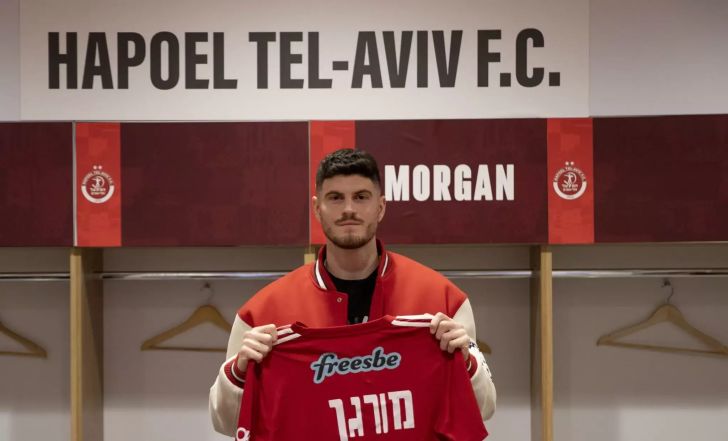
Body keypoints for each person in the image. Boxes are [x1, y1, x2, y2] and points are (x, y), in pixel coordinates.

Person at [209, 149, 496, 436]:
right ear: (317, 208)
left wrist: (467, 361)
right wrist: (238, 372)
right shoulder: (261, 313)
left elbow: (484, 408)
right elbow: (226, 424)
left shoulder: (444, 300)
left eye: (361, 197)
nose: (348, 209)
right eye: (335, 198)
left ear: (380, 207)